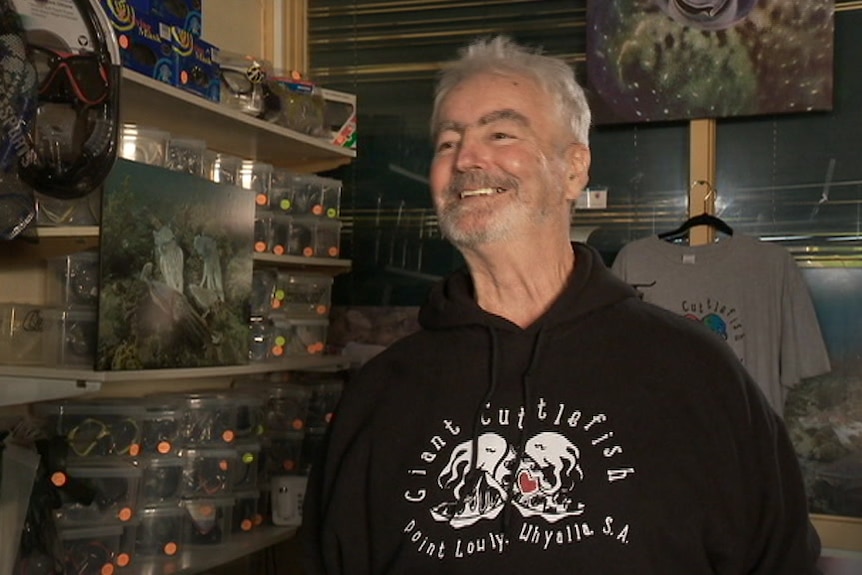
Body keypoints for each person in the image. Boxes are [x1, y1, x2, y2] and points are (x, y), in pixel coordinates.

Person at [302, 35, 821, 574]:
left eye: (500, 133)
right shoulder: (381, 396)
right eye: (447, 142)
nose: (467, 159)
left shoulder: (698, 373)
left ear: (574, 169)